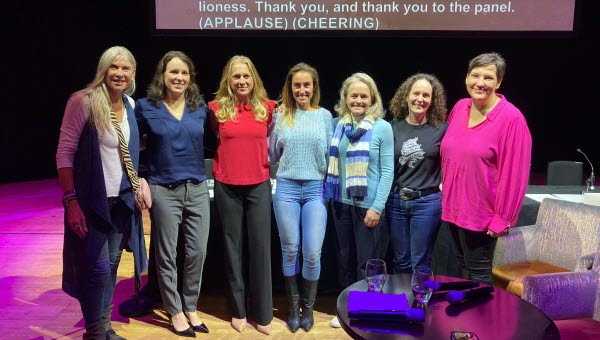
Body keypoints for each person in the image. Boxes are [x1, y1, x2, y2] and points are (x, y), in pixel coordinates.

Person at [56, 46, 144, 340]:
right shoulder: (83, 101)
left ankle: (104, 327)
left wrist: (138, 182)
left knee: (111, 266)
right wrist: (71, 201)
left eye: (125, 68)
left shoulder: (130, 104)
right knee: (95, 270)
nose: (119, 73)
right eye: (114, 67)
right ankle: (95, 332)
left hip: (120, 202)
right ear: (103, 70)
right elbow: (65, 154)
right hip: (92, 202)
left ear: (133, 73)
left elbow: (127, 153)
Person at [135, 51, 210, 337]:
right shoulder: (146, 106)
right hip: (163, 189)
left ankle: (190, 305)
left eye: (184, 73)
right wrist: (140, 177)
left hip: (198, 188)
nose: (179, 78)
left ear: (190, 78)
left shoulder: (199, 106)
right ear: (162, 76)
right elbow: (132, 145)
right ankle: (174, 310)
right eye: (173, 72)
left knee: (197, 252)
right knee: (166, 254)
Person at [440, 52, 532, 285]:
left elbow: (515, 174)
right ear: (466, 78)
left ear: (499, 82)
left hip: (482, 214)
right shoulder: (460, 107)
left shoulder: (511, 119)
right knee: (462, 268)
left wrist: (503, 217)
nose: (480, 83)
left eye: (488, 77)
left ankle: (482, 321)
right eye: (475, 75)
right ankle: (464, 319)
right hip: (454, 208)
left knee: (479, 275)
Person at [208, 55, 276, 335]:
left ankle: (262, 313)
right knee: (232, 247)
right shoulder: (216, 109)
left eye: (246, 76)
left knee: (260, 248)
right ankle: (238, 310)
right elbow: (216, 138)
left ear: (254, 79)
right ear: (228, 80)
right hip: (227, 183)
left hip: (259, 184)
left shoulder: (268, 108)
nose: (241, 81)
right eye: (236, 77)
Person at [326, 72, 394, 327]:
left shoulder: (382, 127)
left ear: (372, 98)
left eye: (364, 96)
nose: (358, 100)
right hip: (341, 203)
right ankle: (345, 308)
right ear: (345, 97)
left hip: (368, 206)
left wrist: (377, 207)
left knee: (367, 262)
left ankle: (365, 308)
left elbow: (387, 171)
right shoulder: (338, 124)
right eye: (353, 95)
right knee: (344, 258)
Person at [269, 62, 333, 332]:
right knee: (290, 248)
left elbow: (331, 157)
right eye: (297, 85)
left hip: (316, 188)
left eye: (307, 85)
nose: (302, 90)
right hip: (286, 188)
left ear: (314, 87)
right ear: (290, 88)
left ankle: (309, 308)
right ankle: (293, 308)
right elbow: (272, 156)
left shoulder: (326, 116)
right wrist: (272, 123)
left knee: (312, 253)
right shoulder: (281, 115)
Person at [385, 73, 448, 274]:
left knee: (420, 262)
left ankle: (421, 306)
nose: (420, 99)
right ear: (406, 96)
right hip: (396, 201)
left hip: (427, 203)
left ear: (432, 100)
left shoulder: (441, 129)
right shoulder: (392, 127)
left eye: (426, 95)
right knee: (400, 261)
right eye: (416, 93)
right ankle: (402, 304)